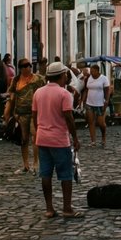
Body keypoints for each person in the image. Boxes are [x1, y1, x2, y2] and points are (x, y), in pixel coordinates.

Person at [32, 62, 80, 218]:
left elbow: (34, 115)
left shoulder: (38, 92)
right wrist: (75, 137)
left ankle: (49, 208)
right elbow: (69, 117)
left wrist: (40, 130)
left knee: (45, 174)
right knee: (66, 174)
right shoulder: (64, 94)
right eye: (65, 75)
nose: (67, 77)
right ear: (62, 75)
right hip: (59, 140)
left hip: (42, 138)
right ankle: (67, 208)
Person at [4, 58, 41, 174]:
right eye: (24, 66)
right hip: (21, 114)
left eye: (28, 65)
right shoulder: (15, 81)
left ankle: (36, 163)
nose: (27, 68)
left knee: (35, 137)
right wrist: (8, 113)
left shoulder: (38, 79)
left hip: (35, 112)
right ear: (20, 68)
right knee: (23, 139)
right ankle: (25, 165)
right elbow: (12, 97)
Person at [83, 63, 111, 147]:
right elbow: (86, 89)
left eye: (93, 71)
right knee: (91, 122)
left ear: (97, 71)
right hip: (89, 103)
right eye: (90, 71)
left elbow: (107, 91)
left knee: (101, 123)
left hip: (100, 103)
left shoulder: (104, 79)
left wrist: (106, 102)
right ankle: (93, 141)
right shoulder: (89, 78)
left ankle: (103, 137)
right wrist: (83, 100)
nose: (91, 73)